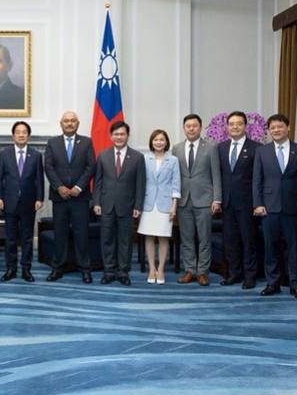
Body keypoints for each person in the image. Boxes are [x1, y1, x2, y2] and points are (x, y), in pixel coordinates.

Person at [253, 113, 297, 300]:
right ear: (269, 131)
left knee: (295, 248)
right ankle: (272, 283)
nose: (276, 130)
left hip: (293, 207)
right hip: (269, 207)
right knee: (271, 247)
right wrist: (258, 203)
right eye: (273, 128)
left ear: (288, 127)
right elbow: (257, 179)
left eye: (280, 126)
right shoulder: (262, 151)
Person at [43, 111, 96, 283]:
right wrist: (59, 187)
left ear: (78, 124)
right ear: (61, 124)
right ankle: (58, 268)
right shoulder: (53, 143)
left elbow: (91, 166)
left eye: (73, 121)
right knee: (60, 233)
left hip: (80, 198)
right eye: (66, 121)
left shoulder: (87, 142)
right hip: (60, 198)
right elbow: (48, 167)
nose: (69, 123)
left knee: (82, 233)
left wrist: (79, 187)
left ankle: (85, 269)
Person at [93, 121, 146, 286]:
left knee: (125, 241)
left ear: (127, 136)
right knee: (107, 240)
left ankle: (123, 272)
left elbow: (140, 184)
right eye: (116, 134)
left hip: (128, 207)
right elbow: (98, 182)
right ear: (111, 136)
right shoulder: (103, 155)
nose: (119, 137)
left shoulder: (137, 157)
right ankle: (109, 271)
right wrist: (96, 202)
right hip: (106, 205)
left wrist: (138, 205)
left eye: (122, 134)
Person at [172, 114, 221, 286]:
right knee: (187, 238)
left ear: (200, 127)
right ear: (184, 128)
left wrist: (217, 199)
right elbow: (174, 176)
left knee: (204, 238)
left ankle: (202, 272)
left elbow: (216, 175)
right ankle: (190, 270)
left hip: (205, 200)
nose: (191, 128)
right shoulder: (176, 149)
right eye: (188, 126)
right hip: (183, 201)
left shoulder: (211, 147)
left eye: (194, 126)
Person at [0, 121, 44, 282]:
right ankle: (11, 269)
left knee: (27, 238)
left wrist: (39, 198)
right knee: (10, 238)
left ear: (28, 136)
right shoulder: (4, 154)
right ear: (13, 135)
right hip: (9, 202)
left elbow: (39, 179)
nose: (21, 135)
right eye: (18, 132)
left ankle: (26, 269)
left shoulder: (36, 155)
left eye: (24, 132)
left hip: (29, 203)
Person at [217, 111, 260, 289]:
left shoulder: (256, 148)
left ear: (245, 126)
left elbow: (258, 178)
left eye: (239, 123)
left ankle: (250, 275)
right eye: (231, 124)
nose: (235, 127)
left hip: (247, 202)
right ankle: (234, 273)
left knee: (248, 240)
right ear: (227, 127)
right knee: (231, 240)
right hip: (227, 203)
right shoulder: (221, 147)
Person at [137, 129, 179, 285]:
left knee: (163, 237)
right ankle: (151, 268)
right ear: (151, 142)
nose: (159, 142)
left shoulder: (173, 160)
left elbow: (176, 184)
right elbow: (141, 182)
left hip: (165, 204)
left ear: (166, 142)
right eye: (156, 140)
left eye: (162, 139)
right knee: (148, 236)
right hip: (147, 203)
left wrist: (174, 206)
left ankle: (161, 269)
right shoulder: (145, 158)